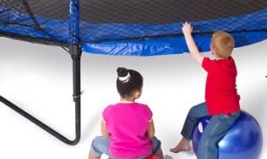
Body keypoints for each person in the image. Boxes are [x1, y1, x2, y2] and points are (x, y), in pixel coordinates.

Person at [170, 23, 240, 159]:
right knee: (193, 112)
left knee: (207, 142)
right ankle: (185, 142)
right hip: (216, 104)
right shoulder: (230, 62)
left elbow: (195, 53)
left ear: (213, 50)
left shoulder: (214, 67)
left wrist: (187, 33)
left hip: (226, 113)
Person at [88, 67, 164, 159]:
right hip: (142, 154)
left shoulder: (108, 111)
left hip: (117, 155)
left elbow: (105, 134)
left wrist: (119, 139)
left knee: (96, 142)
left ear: (118, 89)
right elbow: (151, 134)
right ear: (137, 93)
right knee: (156, 142)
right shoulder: (145, 109)